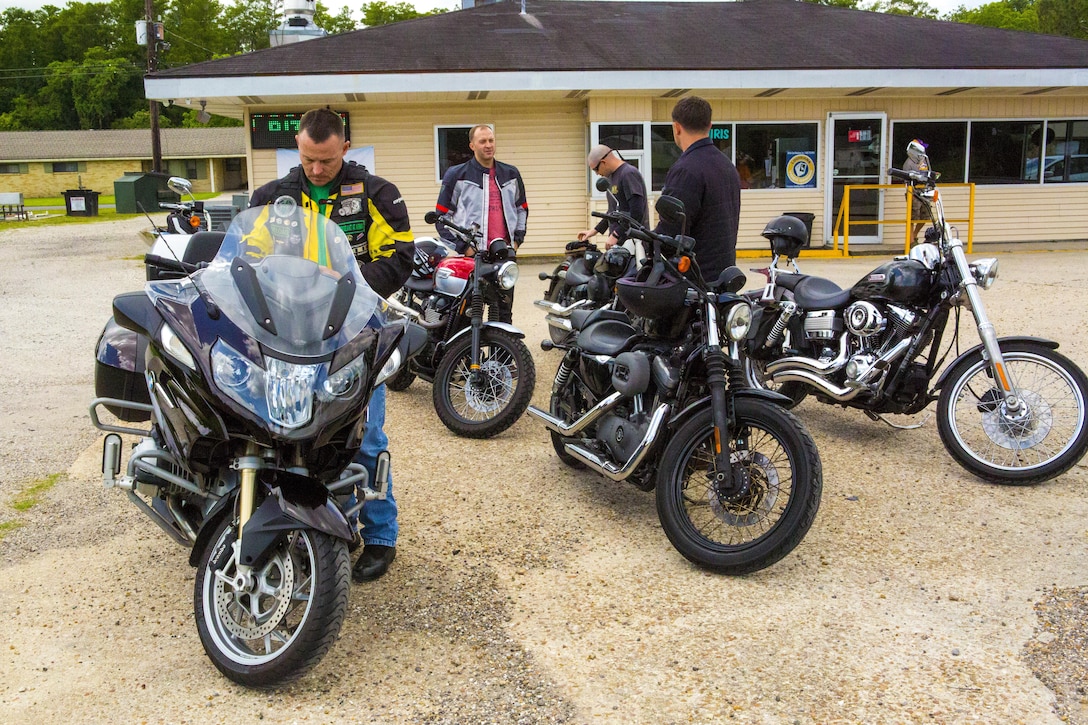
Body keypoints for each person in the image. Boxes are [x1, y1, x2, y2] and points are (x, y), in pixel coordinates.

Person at [249, 108, 414, 584]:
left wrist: (344, 291)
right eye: (307, 159)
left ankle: (381, 535)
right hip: (286, 332)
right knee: (289, 430)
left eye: (325, 160)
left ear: (344, 148)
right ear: (298, 148)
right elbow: (245, 256)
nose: (316, 169)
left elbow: (400, 256)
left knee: (364, 437)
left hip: (355, 331)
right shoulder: (274, 198)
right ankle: (314, 524)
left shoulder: (377, 194)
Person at [435, 124, 528, 323]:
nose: (488, 145)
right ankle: (465, 355)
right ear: (472, 145)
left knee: (503, 316)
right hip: (472, 258)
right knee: (466, 315)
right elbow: (441, 218)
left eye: (491, 140)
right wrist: (465, 248)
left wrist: (517, 242)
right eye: (482, 141)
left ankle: (501, 354)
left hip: (504, 255)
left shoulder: (511, 174)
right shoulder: (457, 175)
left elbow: (522, 209)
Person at [655, 96, 741, 283]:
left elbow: (672, 232)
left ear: (676, 128)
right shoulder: (726, 165)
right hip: (724, 274)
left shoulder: (686, 170)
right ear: (709, 126)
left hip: (694, 282)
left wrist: (649, 244)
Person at [578, 144, 648, 250]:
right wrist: (593, 231)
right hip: (619, 245)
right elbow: (613, 212)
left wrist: (616, 235)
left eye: (596, 169)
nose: (597, 174)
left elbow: (637, 212)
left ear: (603, 162)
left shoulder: (628, 174)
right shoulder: (611, 178)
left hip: (635, 244)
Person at [903, 139, 930, 245]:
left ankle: (914, 234)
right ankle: (911, 241)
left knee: (925, 215)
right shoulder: (908, 163)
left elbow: (926, 173)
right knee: (913, 217)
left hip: (924, 191)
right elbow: (907, 180)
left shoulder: (923, 160)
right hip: (913, 192)